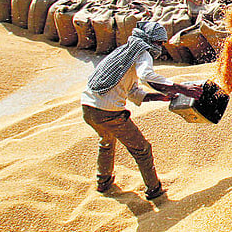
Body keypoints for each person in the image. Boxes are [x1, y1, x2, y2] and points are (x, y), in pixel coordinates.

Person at [81, 21, 206, 200]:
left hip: (88, 108)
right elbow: (147, 76)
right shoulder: (142, 52)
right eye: (159, 43)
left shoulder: (123, 52)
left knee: (106, 141)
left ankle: (103, 181)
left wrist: (159, 97)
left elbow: (132, 92)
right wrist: (182, 89)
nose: (160, 48)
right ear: (151, 40)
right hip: (109, 113)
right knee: (142, 149)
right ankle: (154, 191)